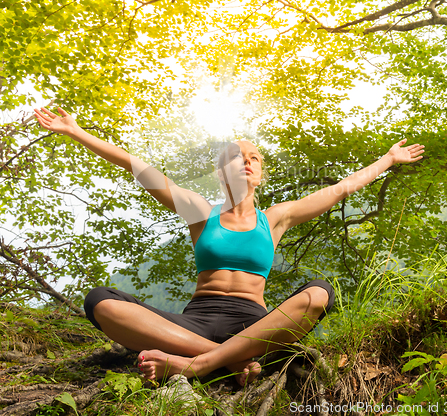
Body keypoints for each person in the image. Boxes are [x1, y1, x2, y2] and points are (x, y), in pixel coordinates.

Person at [34, 106, 424, 385]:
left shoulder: (276, 218)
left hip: (255, 323)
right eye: (237, 157)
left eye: (254, 158)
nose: (247, 161)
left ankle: (198, 365)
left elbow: (341, 188)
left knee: (318, 294)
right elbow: (139, 168)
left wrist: (388, 159)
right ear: (222, 172)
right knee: (101, 300)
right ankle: (229, 361)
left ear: (260, 175)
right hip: (195, 321)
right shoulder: (201, 212)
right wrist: (75, 131)